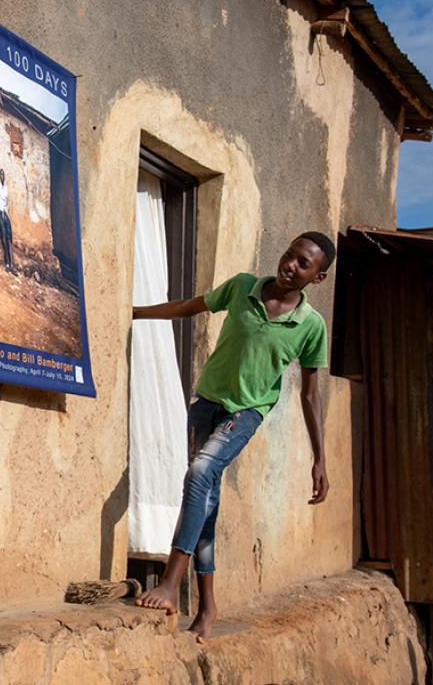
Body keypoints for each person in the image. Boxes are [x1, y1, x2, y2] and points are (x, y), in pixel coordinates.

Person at [130, 231, 336, 644]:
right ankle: (208, 606)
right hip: (205, 404)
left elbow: (310, 393)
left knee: (200, 471)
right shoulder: (243, 287)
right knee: (206, 502)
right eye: (289, 254)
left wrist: (320, 458)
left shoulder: (311, 326)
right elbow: (190, 307)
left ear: (318, 277)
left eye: (303, 263)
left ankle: (171, 584)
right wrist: (133, 310)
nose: (289, 264)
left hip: (245, 414)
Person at [0, 168, 15, 272]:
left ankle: (12, 264)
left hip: (5, 213)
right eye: (0, 174)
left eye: (3, 175)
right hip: (0, 211)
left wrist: (8, 214)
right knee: (4, 234)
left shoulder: (6, 188)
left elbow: (7, 202)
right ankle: (6, 263)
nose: (2, 176)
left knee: (10, 236)